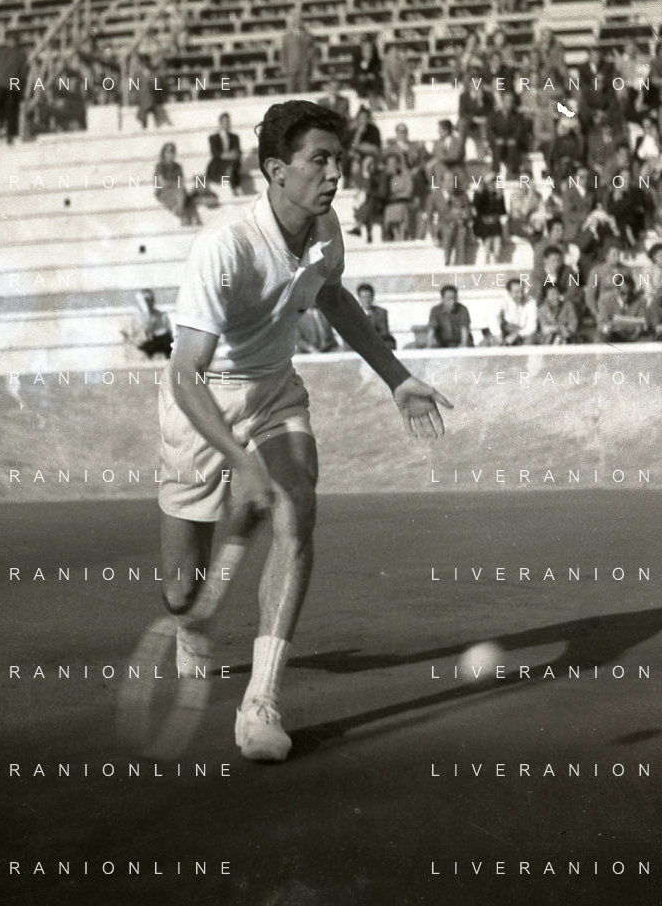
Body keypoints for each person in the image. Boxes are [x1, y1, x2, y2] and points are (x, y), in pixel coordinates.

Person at [155, 100, 451, 763]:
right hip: (200, 404)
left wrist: (396, 377)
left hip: (275, 393)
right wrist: (239, 461)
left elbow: (333, 297)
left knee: (298, 507)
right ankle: (191, 624)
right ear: (275, 170)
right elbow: (183, 374)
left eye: (338, 159)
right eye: (320, 159)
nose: (335, 173)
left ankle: (260, 700)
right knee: (181, 590)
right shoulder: (224, 247)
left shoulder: (326, 229)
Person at [0, 27, 28, 143]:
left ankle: (6, 131)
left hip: (6, 83)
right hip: (7, 83)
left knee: (5, 109)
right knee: (7, 109)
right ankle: (7, 132)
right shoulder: (19, 54)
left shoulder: (5, 52)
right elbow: (23, 73)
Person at [155, 142, 200, 226]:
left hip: (177, 191)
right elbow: (162, 183)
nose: (171, 154)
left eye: (173, 152)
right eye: (168, 152)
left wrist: (175, 184)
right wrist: (175, 184)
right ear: (164, 153)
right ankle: (184, 215)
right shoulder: (160, 166)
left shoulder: (178, 167)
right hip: (163, 192)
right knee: (181, 192)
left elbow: (181, 182)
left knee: (185, 193)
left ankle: (186, 216)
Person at [123, 289, 173, 359]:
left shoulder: (161, 316)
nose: (147, 303)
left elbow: (167, 334)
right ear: (138, 302)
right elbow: (128, 339)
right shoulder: (133, 318)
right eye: (144, 300)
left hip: (158, 349)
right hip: (141, 350)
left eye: (150, 299)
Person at [207, 113, 243, 196]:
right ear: (220, 123)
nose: (227, 124)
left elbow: (238, 151)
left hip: (232, 163)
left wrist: (232, 155)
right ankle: (233, 189)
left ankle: (233, 188)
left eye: (228, 122)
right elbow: (215, 153)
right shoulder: (213, 138)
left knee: (232, 166)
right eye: (225, 122)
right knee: (228, 168)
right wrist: (227, 155)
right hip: (219, 164)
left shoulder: (235, 137)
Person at [280, 11, 316, 94]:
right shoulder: (287, 37)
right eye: (295, 20)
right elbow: (283, 53)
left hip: (305, 66)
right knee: (290, 90)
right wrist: (283, 66)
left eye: (299, 20)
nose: (297, 22)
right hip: (291, 67)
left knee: (305, 90)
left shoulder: (308, 35)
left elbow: (312, 52)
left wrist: (313, 66)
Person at [496, 278, 537, 345]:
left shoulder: (531, 302)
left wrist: (516, 335)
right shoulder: (502, 301)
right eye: (516, 292)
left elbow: (531, 327)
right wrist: (498, 334)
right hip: (506, 331)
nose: (520, 295)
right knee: (492, 341)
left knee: (530, 340)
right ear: (509, 292)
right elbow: (493, 318)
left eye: (522, 291)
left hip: (524, 333)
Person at [355, 283, 396, 348]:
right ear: (359, 298)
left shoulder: (381, 312)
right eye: (363, 297)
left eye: (368, 297)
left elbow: (384, 332)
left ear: (372, 297)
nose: (366, 300)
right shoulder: (354, 313)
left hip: (377, 343)